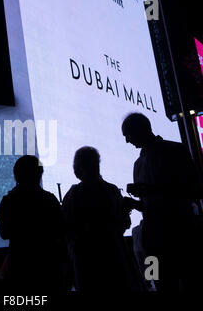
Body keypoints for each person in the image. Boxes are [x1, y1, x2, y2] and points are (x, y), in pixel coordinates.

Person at [121, 112, 203, 291]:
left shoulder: (175, 150)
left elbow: (195, 189)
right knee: (159, 284)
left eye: (128, 135)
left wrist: (151, 192)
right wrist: (135, 203)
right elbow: (148, 205)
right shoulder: (139, 163)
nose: (127, 141)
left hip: (179, 237)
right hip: (152, 241)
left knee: (185, 282)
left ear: (140, 130)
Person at [62, 146, 144, 291]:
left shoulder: (73, 194)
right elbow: (123, 223)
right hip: (114, 256)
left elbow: (67, 229)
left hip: (85, 260)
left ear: (78, 168)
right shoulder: (111, 190)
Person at [0, 155, 68, 293]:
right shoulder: (50, 200)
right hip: (49, 267)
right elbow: (61, 232)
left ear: (16, 175)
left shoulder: (9, 201)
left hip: (20, 267)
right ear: (39, 174)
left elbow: (4, 233)